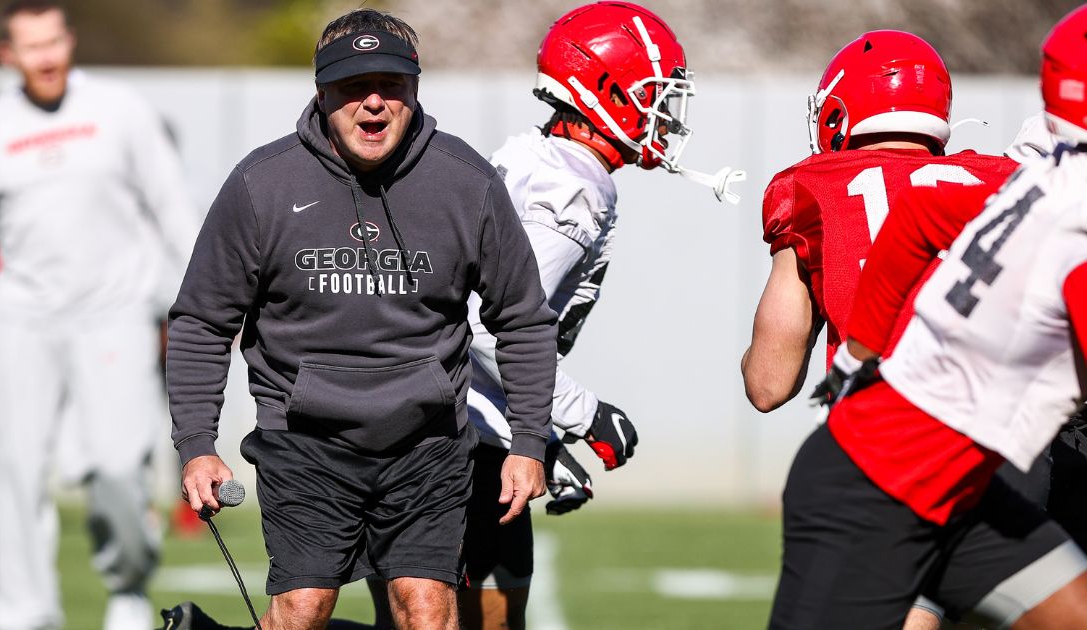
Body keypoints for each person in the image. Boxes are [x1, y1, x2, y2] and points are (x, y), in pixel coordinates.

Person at [167, 8, 557, 630]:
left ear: (416, 89)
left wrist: (529, 442)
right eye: (353, 87)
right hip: (305, 441)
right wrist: (195, 446)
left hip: (427, 443)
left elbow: (523, 320)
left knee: (426, 609)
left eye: (391, 86)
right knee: (302, 608)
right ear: (322, 93)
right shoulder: (261, 184)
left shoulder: (467, 183)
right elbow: (202, 322)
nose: (373, 104)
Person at [767, 7, 1087, 628]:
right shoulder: (1065, 222)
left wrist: (857, 355)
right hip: (874, 488)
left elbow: (919, 217)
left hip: (968, 487)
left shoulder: (1034, 184)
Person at [431, 3, 742, 627]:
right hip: (453, 440)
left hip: (465, 421)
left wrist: (537, 437)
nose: (665, 114)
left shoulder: (536, 157)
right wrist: (581, 415)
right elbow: (492, 329)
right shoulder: (570, 184)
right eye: (655, 95)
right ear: (604, 89)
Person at [0, 2, 200, 628]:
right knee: (17, 475)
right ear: (8, 56)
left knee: (120, 467)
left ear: (69, 41)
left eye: (55, 41)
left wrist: (207, 294)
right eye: (31, 47)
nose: (47, 57)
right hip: (22, 323)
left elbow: (174, 209)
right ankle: (23, 615)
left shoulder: (121, 110)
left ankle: (127, 589)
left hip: (114, 315)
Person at [740, 30, 1019, 630]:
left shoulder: (812, 187)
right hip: (1018, 448)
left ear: (840, 110)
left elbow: (768, 383)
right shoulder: (1002, 179)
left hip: (892, 454)